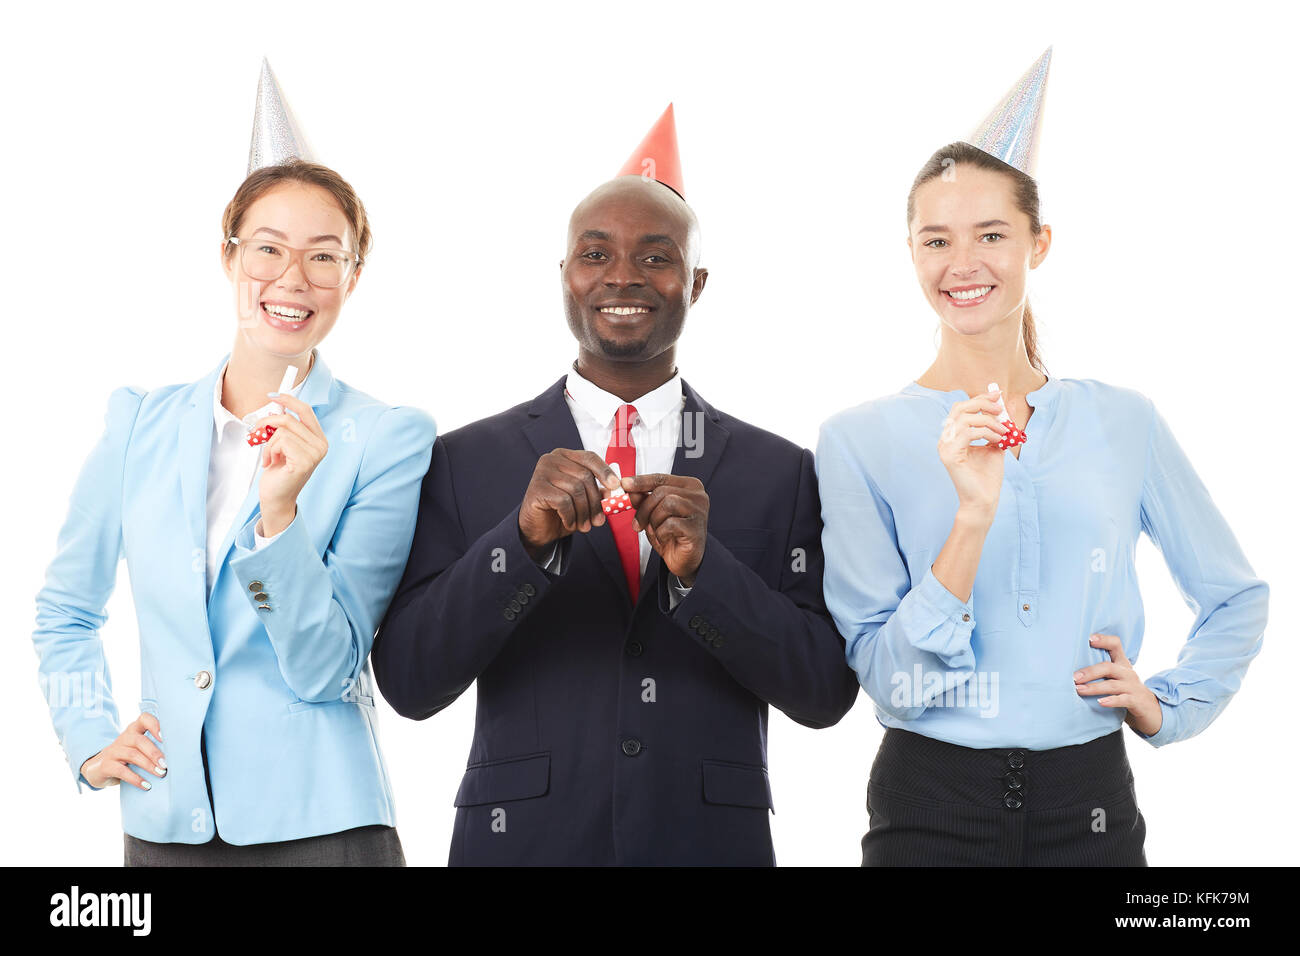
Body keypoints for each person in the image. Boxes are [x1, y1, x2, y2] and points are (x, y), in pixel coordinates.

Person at [372, 105, 859, 866]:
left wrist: (708, 572)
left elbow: (824, 693)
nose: (624, 276)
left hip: (709, 847)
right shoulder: (464, 460)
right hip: (524, 846)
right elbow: (409, 681)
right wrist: (521, 543)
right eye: (595, 254)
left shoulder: (781, 471)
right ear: (564, 275)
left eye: (656, 257)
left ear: (696, 281)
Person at [816, 50, 1268, 866]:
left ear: (1040, 243)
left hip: (1088, 803)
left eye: (992, 234)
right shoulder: (857, 439)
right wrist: (973, 517)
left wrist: (1168, 704)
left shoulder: (1123, 422)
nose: (964, 263)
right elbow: (888, 679)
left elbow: (1235, 596)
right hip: (927, 806)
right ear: (911, 252)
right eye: (937, 239)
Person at [31, 63, 436, 865]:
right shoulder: (138, 422)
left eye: (325, 256)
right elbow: (65, 614)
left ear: (354, 276)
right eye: (268, 248)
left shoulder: (387, 438)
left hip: (323, 827)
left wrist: (280, 516)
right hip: (165, 818)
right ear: (227, 257)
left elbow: (327, 668)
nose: (292, 279)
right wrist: (87, 737)